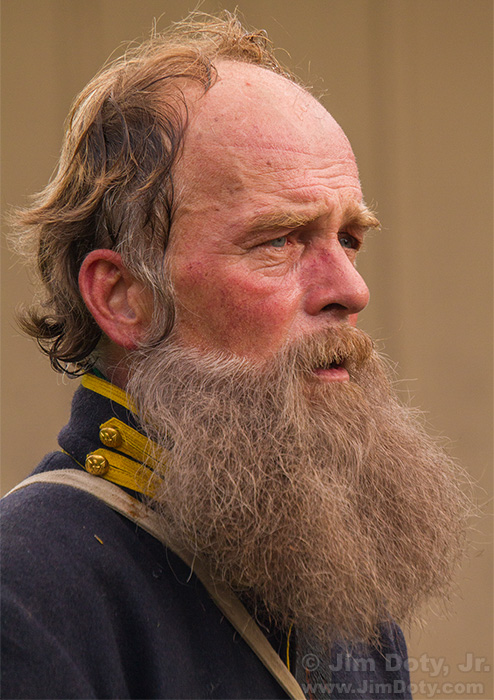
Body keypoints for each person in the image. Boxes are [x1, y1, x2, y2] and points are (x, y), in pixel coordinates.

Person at [1, 12, 470, 700]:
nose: (351, 288)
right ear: (124, 295)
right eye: (278, 240)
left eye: (349, 237)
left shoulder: (333, 593)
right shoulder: (26, 597)